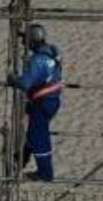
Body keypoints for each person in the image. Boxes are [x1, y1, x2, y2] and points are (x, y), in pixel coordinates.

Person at [7, 23, 63, 182]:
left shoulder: (38, 60)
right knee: (34, 131)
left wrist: (12, 80)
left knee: (37, 135)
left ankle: (45, 173)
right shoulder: (52, 52)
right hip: (50, 99)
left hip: (43, 101)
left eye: (25, 40)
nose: (23, 43)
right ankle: (21, 158)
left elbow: (25, 83)